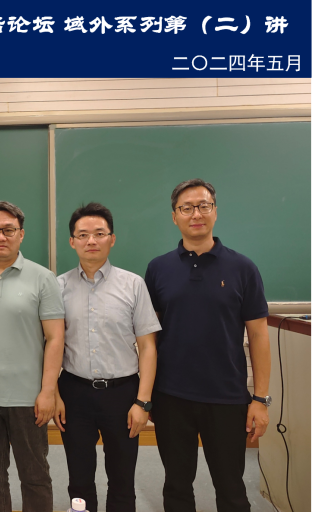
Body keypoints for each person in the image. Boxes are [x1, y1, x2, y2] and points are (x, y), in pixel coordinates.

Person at [145, 179, 271, 512]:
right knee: (176, 487)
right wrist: (147, 394)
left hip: (227, 398)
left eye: (204, 206)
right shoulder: (158, 269)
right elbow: (148, 338)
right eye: (186, 208)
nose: (196, 214)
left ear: (215, 211)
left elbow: (259, 336)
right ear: (175, 216)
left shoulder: (243, 268)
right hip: (171, 397)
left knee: (232, 490)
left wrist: (260, 399)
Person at [0, 201, 65, 512]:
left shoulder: (43, 277)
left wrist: (48, 391)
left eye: (8, 230)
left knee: (34, 476)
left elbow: (55, 338)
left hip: (28, 397)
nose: (0, 237)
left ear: (21, 234)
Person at [56, 203, 160, 512]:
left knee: (122, 479)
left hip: (123, 395)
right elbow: (49, 344)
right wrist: (53, 393)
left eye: (99, 234)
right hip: (74, 393)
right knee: (79, 479)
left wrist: (143, 402)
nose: (91, 241)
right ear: (72, 241)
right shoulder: (57, 287)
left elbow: (148, 347)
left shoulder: (133, 284)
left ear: (112, 239)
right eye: (83, 235)